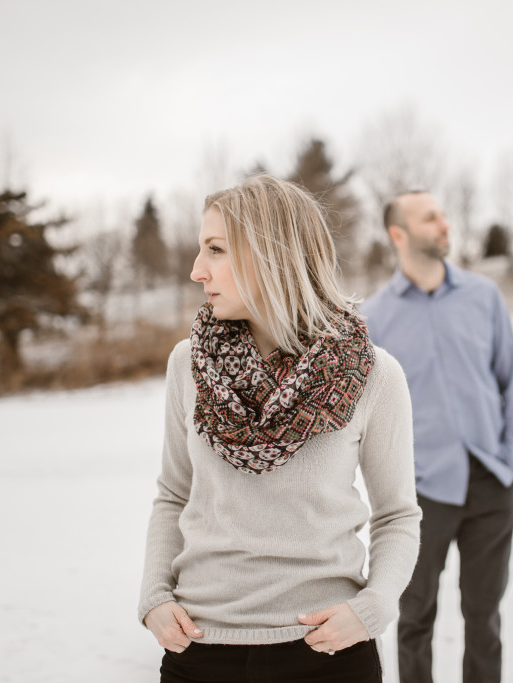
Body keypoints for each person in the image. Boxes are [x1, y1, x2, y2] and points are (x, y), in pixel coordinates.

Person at [137, 174, 421, 683]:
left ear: (273, 254)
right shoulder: (189, 365)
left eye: (216, 249)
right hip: (200, 651)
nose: (196, 270)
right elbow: (173, 495)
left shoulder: (373, 375)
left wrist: (373, 607)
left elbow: (397, 514)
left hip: (325, 651)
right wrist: (154, 597)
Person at [361, 191, 513, 683]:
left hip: (491, 483)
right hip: (420, 495)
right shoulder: (373, 319)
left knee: (485, 620)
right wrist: (395, 484)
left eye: (442, 215)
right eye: (430, 217)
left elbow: (512, 381)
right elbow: (368, 416)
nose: (445, 224)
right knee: (414, 621)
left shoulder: (484, 297)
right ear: (399, 234)